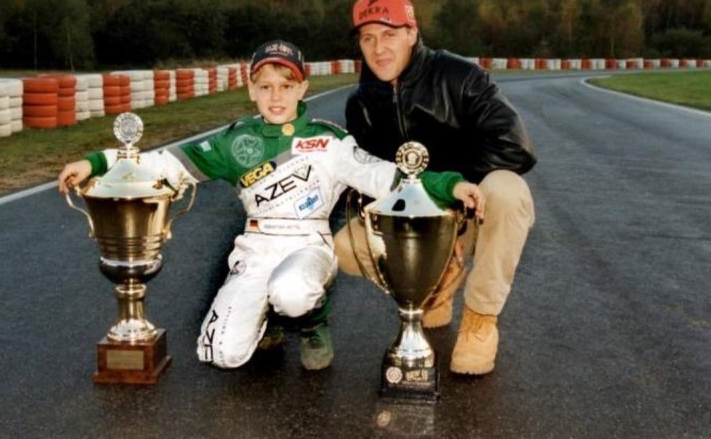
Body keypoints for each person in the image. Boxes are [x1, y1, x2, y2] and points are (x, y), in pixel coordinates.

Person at [58, 39, 485, 372]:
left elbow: (386, 175)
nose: (276, 96)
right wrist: (97, 162)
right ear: (251, 89)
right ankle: (268, 315)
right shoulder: (233, 140)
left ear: (302, 88)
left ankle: (312, 322)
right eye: (265, 87)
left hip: (308, 245)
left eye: (286, 86)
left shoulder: (329, 140)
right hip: (256, 247)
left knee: (292, 291)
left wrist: (450, 185)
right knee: (220, 353)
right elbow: (166, 165)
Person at [333, 0, 537, 376]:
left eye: (389, 34)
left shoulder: (460, 76)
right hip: (413, 222)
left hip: (471, 208)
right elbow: (364, 182)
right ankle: (432, 287)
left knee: (509, 191)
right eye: (368, 38)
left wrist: (452, 203)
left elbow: (517, 147)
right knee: (344, 247)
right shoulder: (361, 103)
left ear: (412, 33)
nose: (378, 48)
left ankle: (480, 320)